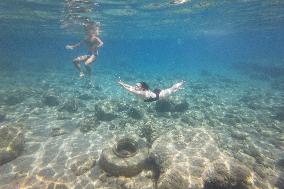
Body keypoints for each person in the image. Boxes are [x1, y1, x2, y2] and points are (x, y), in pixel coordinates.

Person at [118, 80, 185, 102]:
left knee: (171, 89)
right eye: (135, 85)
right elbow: (130, 86)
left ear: (142, 88)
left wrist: (122, 85)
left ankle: (181, 83)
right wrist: (123, 83)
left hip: (159, 95)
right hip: (154, 93)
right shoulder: (139, 90)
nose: (135, 86)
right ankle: (178, 88)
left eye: (137, 86)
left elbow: (129, 89)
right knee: (171, 91)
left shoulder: (141, 93)